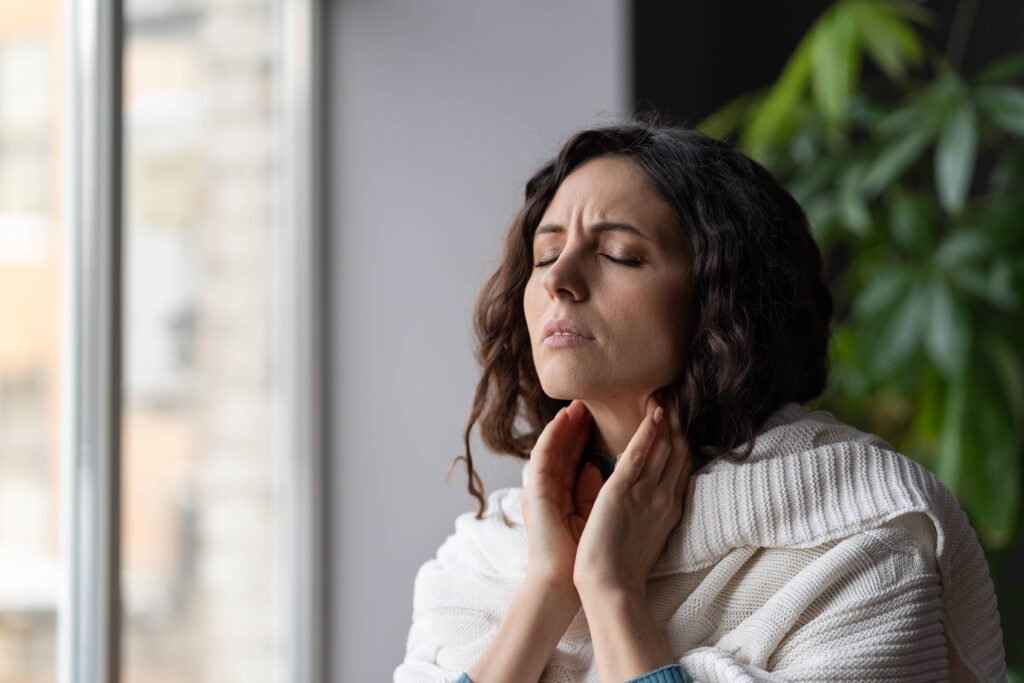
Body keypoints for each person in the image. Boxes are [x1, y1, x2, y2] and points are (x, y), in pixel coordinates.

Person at [393, 120, 1006, 682]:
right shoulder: (483, 559)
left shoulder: (865, 543)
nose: (558, 279)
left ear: (722, 300)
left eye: (619, 255)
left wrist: (612, 591)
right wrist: (548, 588)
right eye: (546, 254)